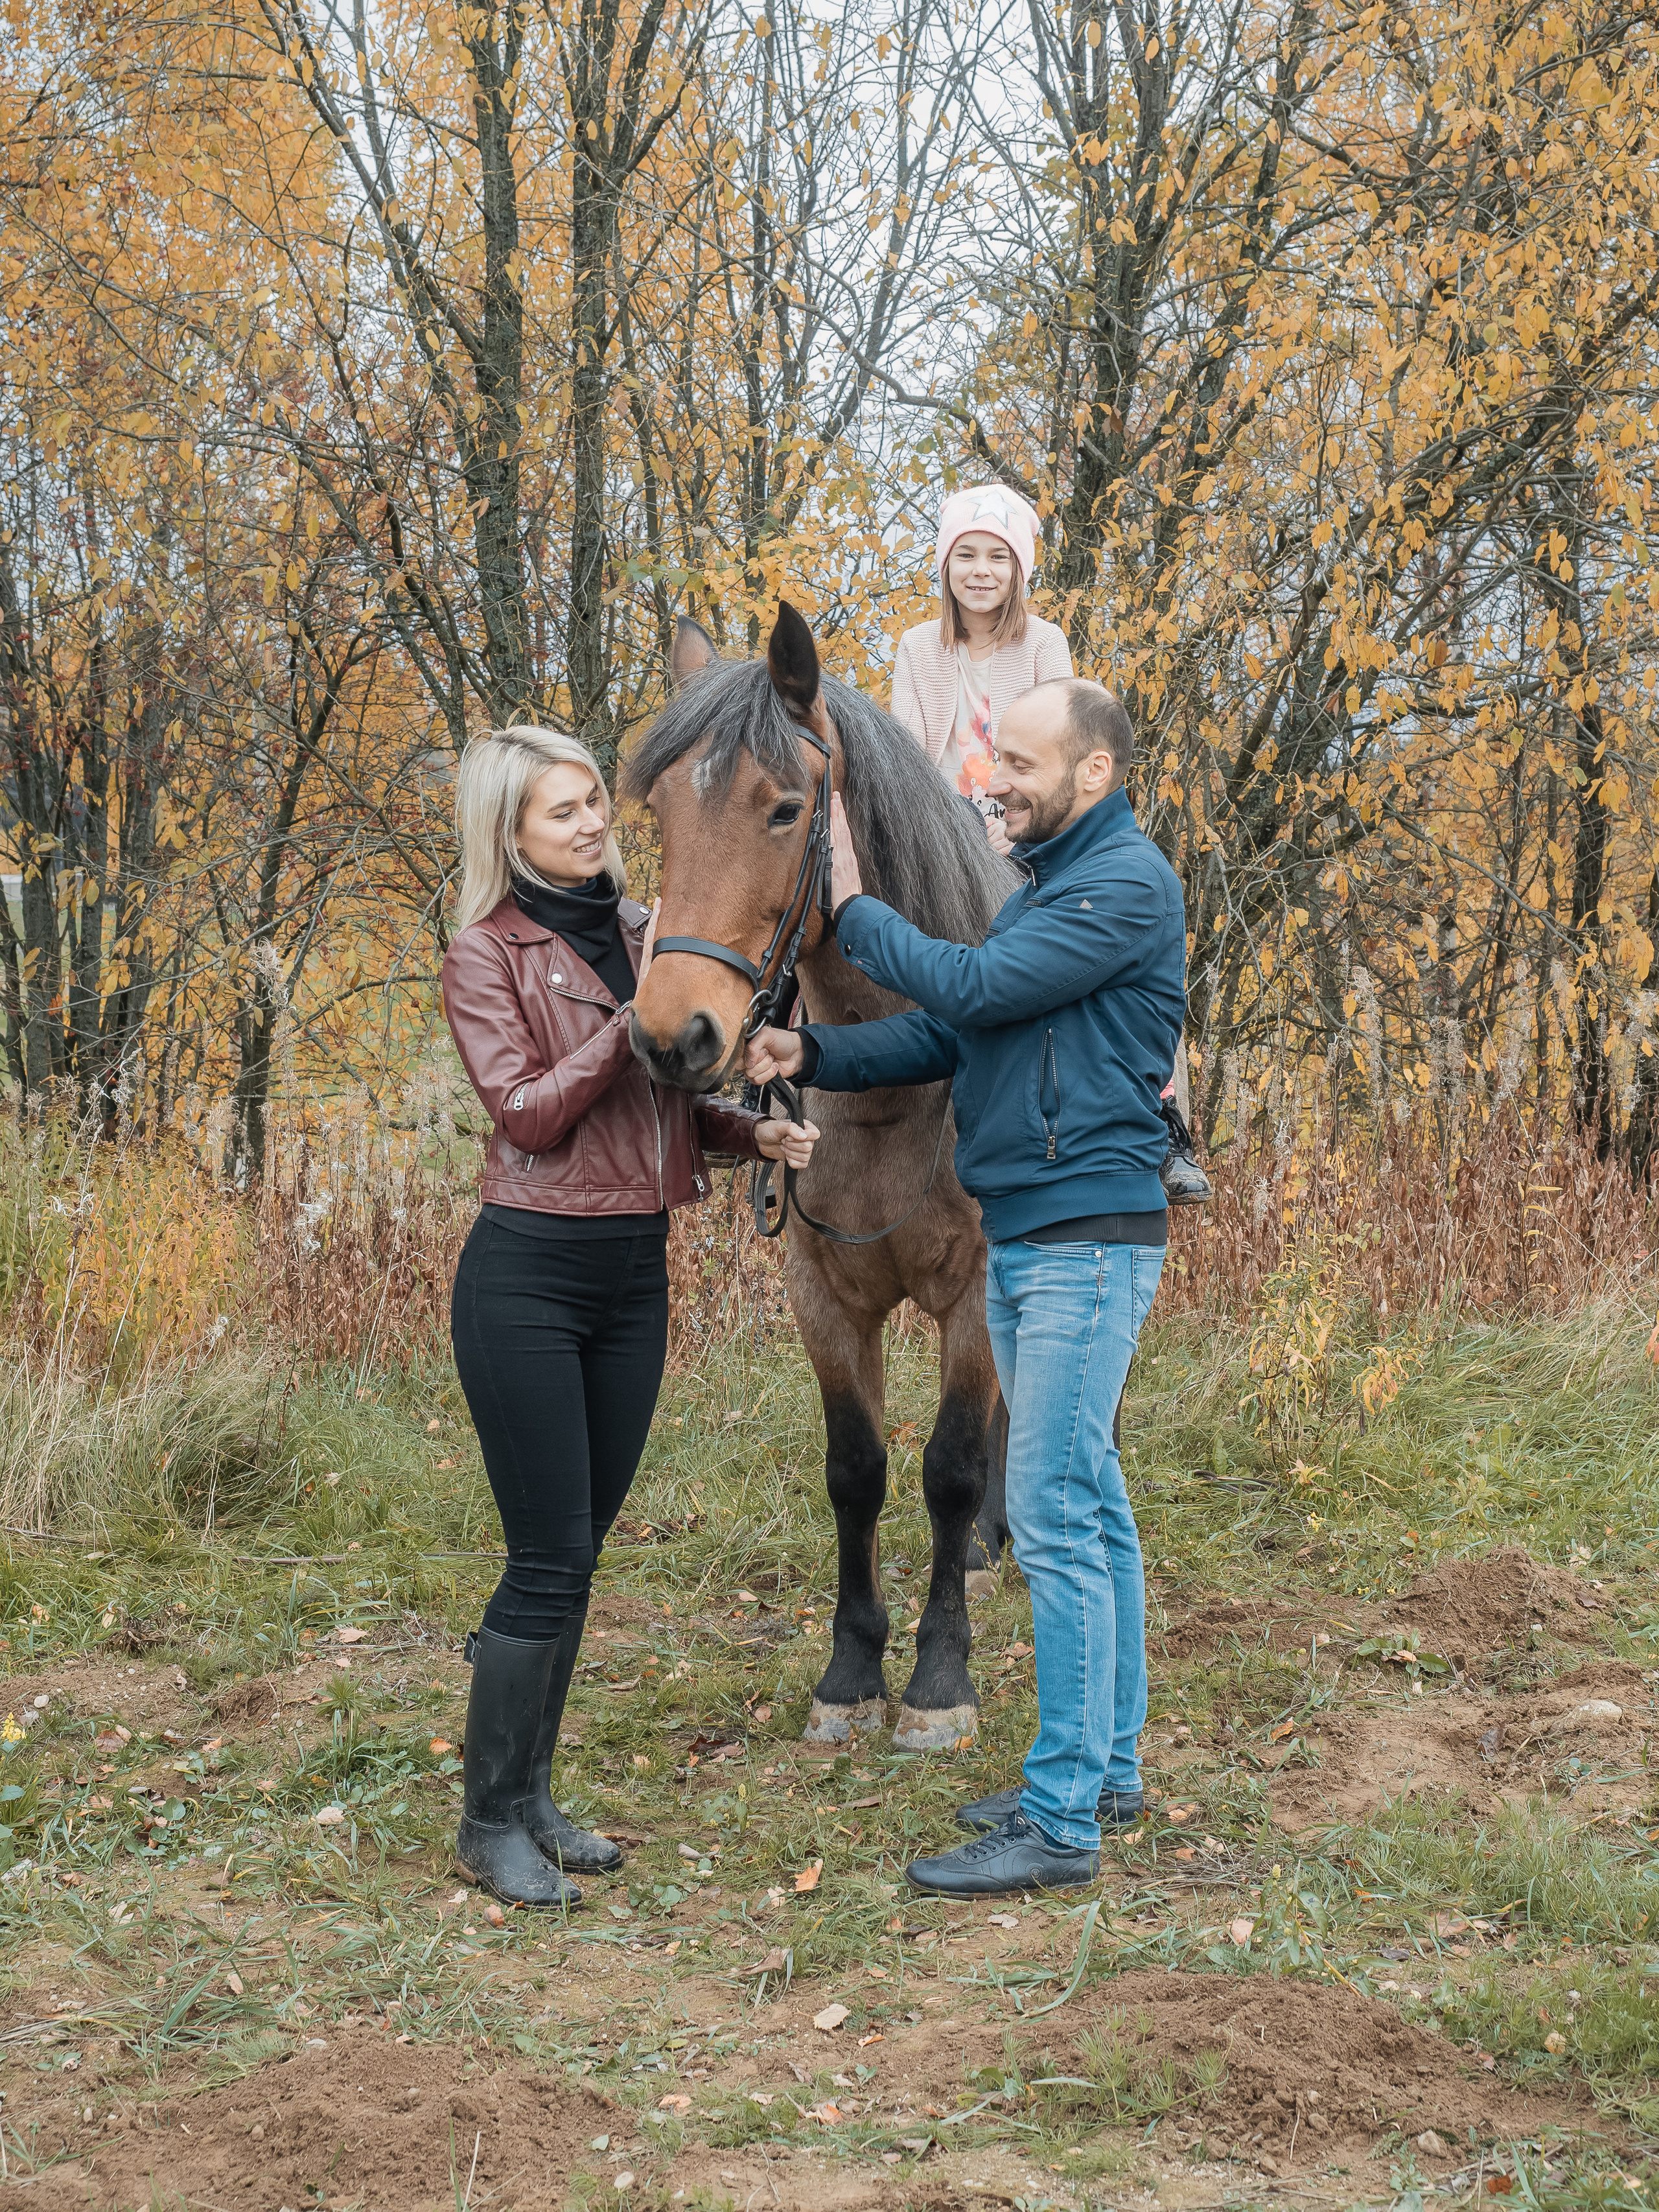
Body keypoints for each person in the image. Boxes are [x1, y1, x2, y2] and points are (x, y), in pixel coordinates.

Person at [745, 680, 1182, 1897]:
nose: (994, 783)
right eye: (994, 762)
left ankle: (1058, 1821)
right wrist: (816, 1050)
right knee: (1092, 1505)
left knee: (1047, 1514)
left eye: (1022, 764)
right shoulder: (1050, 890)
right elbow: (953, 1037)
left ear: (1094, 775)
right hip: (1050, 1234)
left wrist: (851, 908)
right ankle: (1106, 1770)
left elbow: (975, 992)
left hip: (1083, 1236)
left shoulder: (1119, 884)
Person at [442, 727, 818, 1907]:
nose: (594, 823)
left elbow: (663, 1109)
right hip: (530, 1276)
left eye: (598, 800)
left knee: (581, 1550)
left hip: (632, 1278)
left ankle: (537, 1796)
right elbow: (529, 1115)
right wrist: (633, 1018)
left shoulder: (654, 927)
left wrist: (751, 1130)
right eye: (564, 812)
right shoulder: (487, 954)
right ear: (512, 833)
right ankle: (487, 1818)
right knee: (545, 1558)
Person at [892, 486, 1209, 1207]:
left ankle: (1165, 1121)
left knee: (1117, 940)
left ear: (1019, 570)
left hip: (1022, 822)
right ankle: (769, 1081)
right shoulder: (918, 647)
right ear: (944, 565)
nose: (979, 570)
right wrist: (933, 831)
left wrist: (1016, 826)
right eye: (964, 554)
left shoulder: (1042, 643)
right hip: (939, 827)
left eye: (996, 558)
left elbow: (1062, 747)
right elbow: (906, 751)